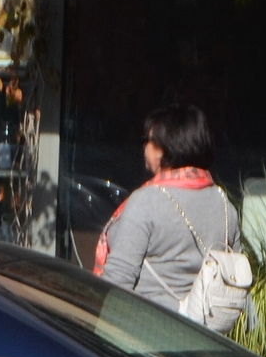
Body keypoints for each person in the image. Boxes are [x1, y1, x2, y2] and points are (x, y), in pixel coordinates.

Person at [96, 103, 238, 309]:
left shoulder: (146, 202)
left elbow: (116, 283)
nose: (143, 147)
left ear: (164, 148)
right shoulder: (224, 205)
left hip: (146, 330)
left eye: (147, 140)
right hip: (204, 334)